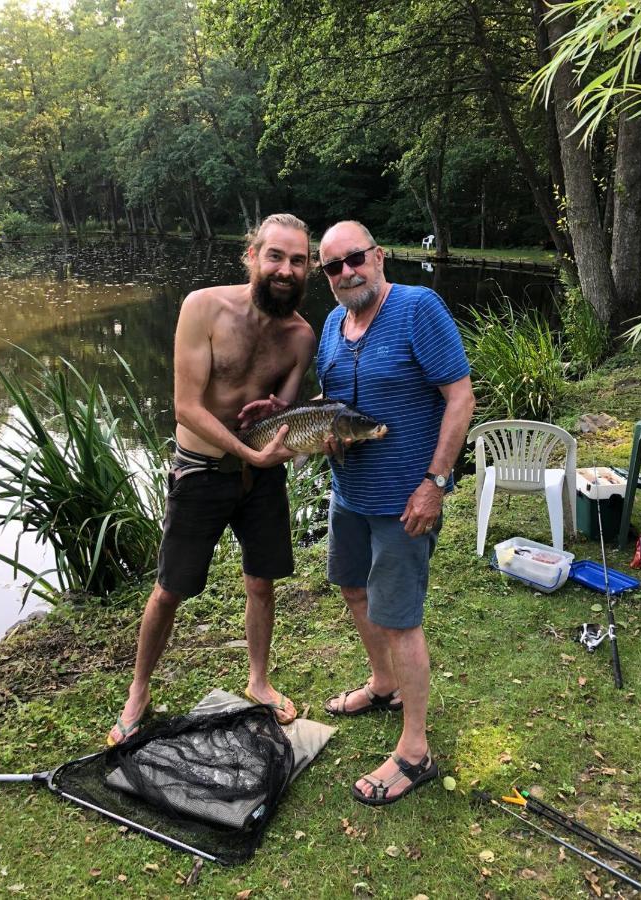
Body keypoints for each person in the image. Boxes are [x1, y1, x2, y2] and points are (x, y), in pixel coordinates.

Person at [107, 213, 316, 745]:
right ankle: (138, 692)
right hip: (201, 472)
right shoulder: (203, 306)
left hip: (260, 480)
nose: (286, 270)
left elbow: (286, 414)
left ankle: (259, 682)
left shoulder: (301, 337)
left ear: (309, 267)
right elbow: (185, 408)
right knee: (169, 589)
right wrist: (250, 451)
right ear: (252, 256)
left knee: (261, 582)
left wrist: (283, 415)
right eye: (276, 256)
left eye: (298, 260)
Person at [316, 220, 475, 805]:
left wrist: (434, 483)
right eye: (331, 266)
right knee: (354, 591)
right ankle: (384, 685)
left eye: (353, 258)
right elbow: (336, 408)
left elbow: (459, 397)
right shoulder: (333, 324)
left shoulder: (417, 307)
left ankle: (415, 751)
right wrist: (323, 432)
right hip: (348, 495)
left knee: (401, 617)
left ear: (377, 257)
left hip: (405, 501)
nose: (345, 272)